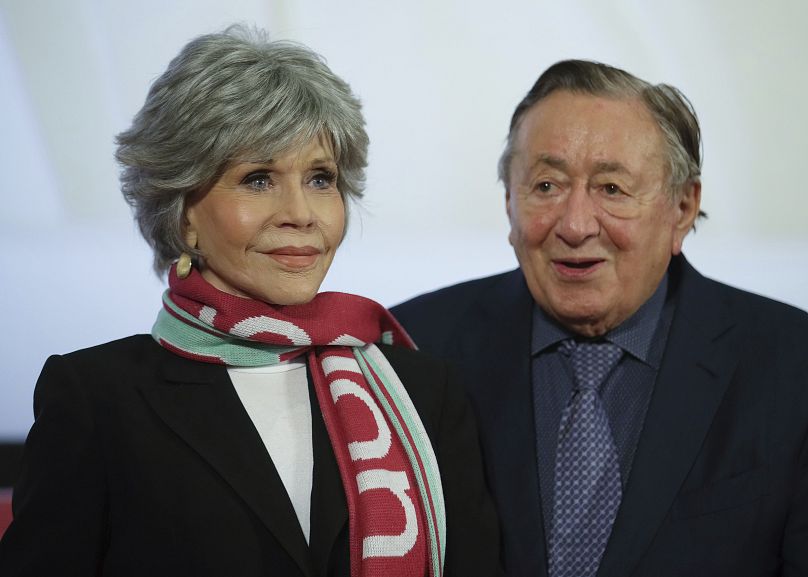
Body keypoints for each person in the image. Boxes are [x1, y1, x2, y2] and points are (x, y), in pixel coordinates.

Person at [0, 26, 500, 577]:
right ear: (182, 212)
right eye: (259, 179)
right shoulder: (96, 400)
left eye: (320, 178)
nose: (301, 213)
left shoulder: (424, 392)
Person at [392, 59, 808, 577]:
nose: (575, 224)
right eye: (546, 186)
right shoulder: (415, 350)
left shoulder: (791, 364)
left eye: (612, 189)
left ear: (682, 207)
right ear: (509, 204)